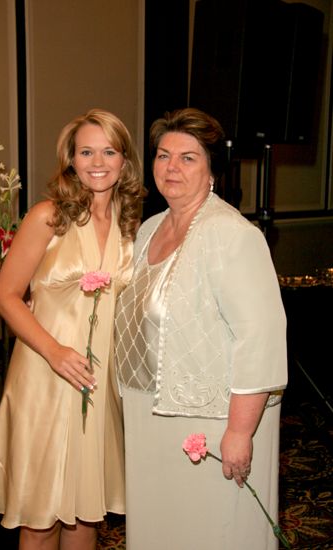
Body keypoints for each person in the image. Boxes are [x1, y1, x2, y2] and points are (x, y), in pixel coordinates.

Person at [114, 107, 288, 550]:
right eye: (163, 155)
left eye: (188, 158)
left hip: (211, 422)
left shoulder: (232, 235)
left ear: (212, 169)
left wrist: (239, 432)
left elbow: (260, 338)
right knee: (163, 527)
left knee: (212, 531)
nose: (171, 167)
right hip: (150, 415)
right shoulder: (150, 229)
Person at [0, 108, 146, 549]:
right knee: (41, 514)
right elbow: (8, 296)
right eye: (86, 151)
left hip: (98, 380)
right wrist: (54, 352)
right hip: (45, 377)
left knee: (85, 513)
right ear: (70, 158)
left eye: (109, 151)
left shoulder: (132, 226)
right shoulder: (49, 216)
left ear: (125, 160)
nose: (97, 161)